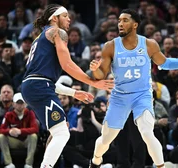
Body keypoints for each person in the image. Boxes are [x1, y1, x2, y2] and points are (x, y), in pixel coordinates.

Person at [89, 9, 178, 168]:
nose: (120, 23)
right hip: (120, 96)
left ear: (135, 25)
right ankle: (96, 160)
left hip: (142, 95)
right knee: (106, 139)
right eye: (119, 20)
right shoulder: (110, 46)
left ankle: (161, 166)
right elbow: (100, 75)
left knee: (147, 132)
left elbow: (164, 63)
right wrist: (95, 69)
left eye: (125, 20)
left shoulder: (149, 44)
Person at [20, 4, 114, 168]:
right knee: (62, 133)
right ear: (54, 18)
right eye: (65, 16)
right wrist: (92, 82)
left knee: (57, 131)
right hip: (38, 86)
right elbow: (67, 64)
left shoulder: (40, 37)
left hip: (33, 86)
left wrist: (73, 93)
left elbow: (44, 80)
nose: (69, 19)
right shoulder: (58, 32)